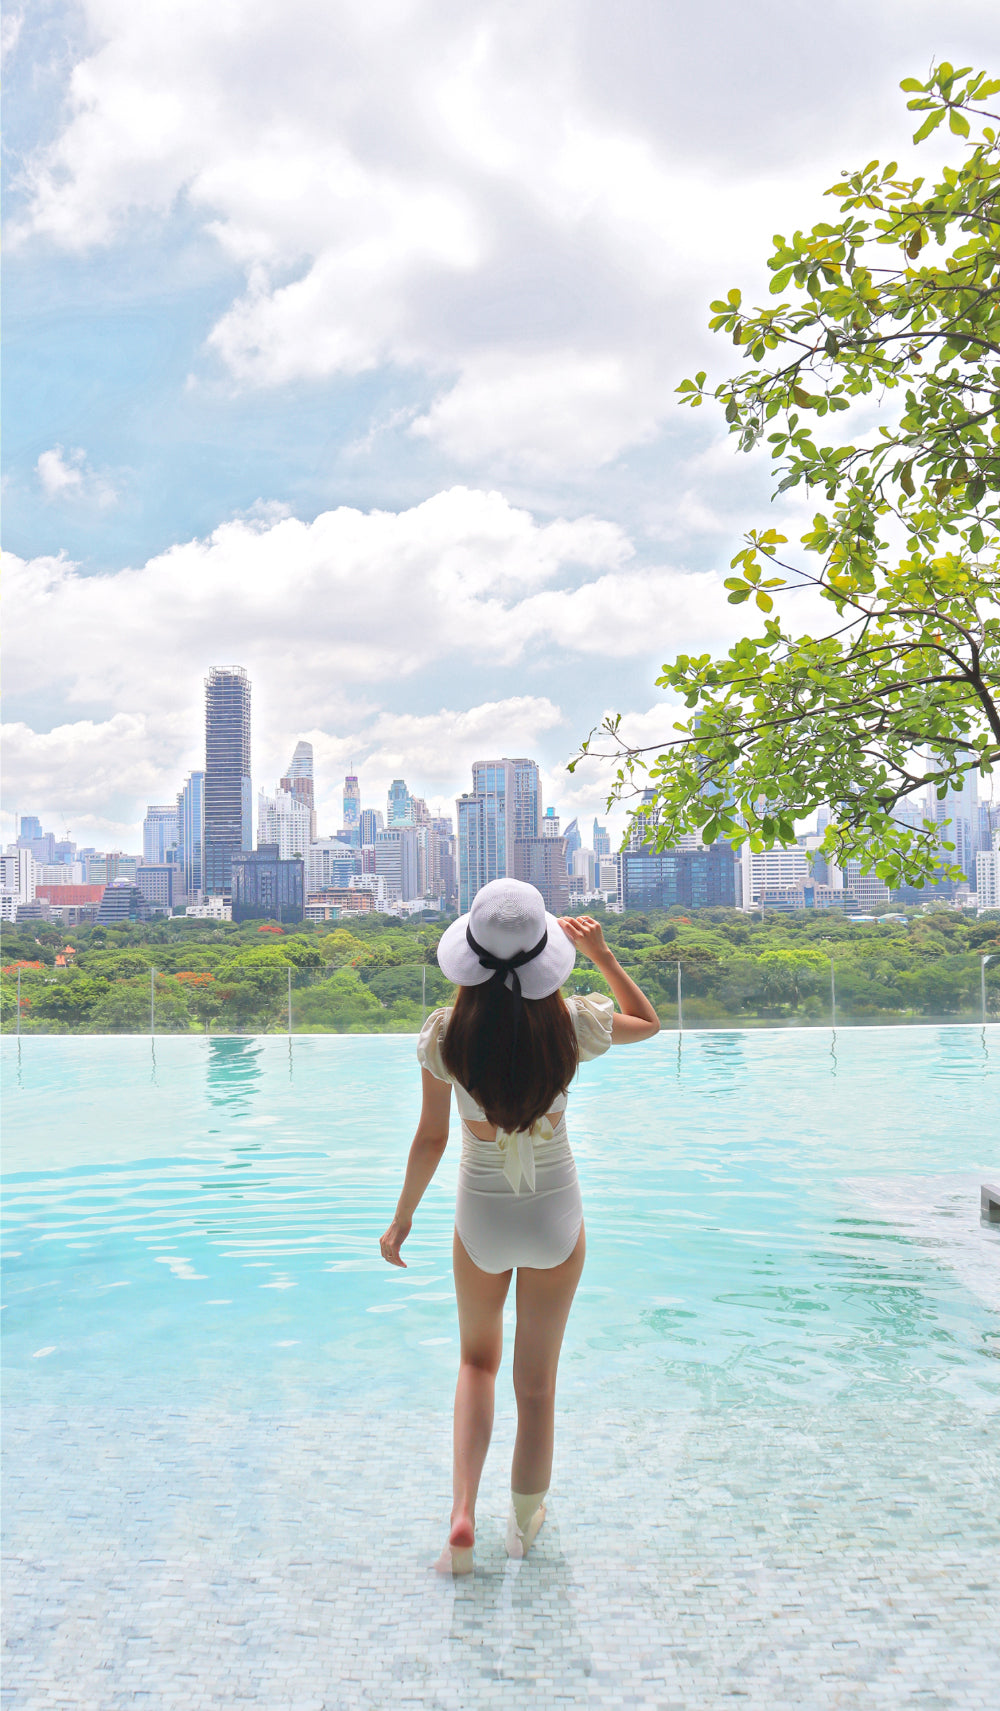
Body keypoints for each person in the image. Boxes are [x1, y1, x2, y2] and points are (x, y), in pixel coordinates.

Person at [379, 878, 660, 1574]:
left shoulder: (445, 1034)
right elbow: (648, 1022)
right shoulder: (572, 1023)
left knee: (477, 1362)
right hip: (556, 1219)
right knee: (537, 1388)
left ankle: (463, 1513)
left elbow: (431, 1140)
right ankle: (524, 1525)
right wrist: (604, 956)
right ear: (545, 956)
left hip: (482, 1218)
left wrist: (401, 1219)